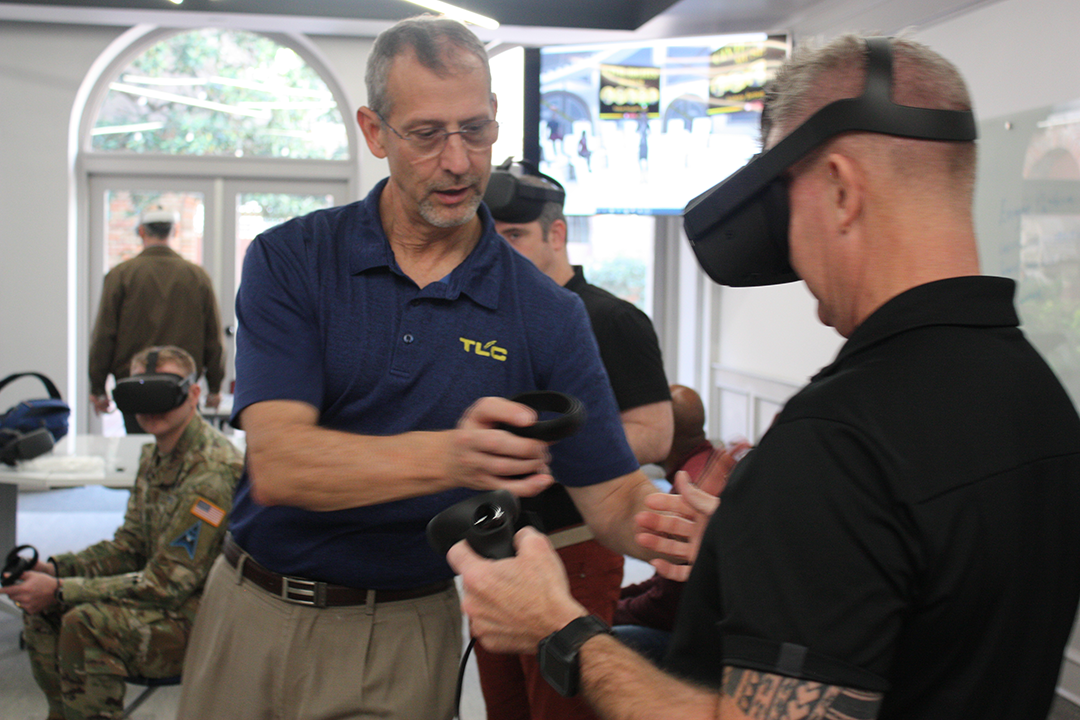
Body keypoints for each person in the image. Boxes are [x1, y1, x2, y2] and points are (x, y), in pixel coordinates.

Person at [449, 34, 1080, 720]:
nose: (789, 247)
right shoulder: (1041, 399)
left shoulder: (836, 443)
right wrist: (748, 550)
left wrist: (560, 629)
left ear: (840, 189)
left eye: (785, 201)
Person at [175, 16, 687, 720]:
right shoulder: (291, 258)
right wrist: (456, 456)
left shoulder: (546, 315)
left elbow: (614, 499)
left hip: (402, 628)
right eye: (427, 134)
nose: (458, 160)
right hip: (250, 604)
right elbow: (283, 464)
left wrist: (682, 525)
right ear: (375, 131)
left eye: (475, 130)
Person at [480, 162, 673, 720]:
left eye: (514, 236)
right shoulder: (497, 321)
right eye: (491, 239)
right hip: (498, 547)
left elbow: (654, 434)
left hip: (576, 544)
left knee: (560, 707)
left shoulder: (613, 319)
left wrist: (544, 453)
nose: (500, 251)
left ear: (555, 234)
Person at [1, 345, 242, 720]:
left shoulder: (213, 470)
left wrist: (64, 588)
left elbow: (166, 584)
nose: (148, 405)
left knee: (84, 624)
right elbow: (128, 546)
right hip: (160, 602)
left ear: (194, 394)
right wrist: (58, 569)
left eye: (162, 391)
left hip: (199, 618)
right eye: (138, 392)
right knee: (42, 610)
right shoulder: (153, 455)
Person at [612, 385, 750, 663]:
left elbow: (665, 608)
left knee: (596, 642)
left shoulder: (691, 492)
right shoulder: (709, 464)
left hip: (704, 645)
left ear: (667, 432)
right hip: (719, 629)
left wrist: (607, 610)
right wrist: (617, 597)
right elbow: (661, 585)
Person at [89, 205, 225, 434]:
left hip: (134, 387)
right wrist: (214, 387)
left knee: (140, 454)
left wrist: (98, 388)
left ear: (142, 232)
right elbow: (214, 337)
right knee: (183, 457)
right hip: (181, 389)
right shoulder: (196, 276)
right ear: (175, 232)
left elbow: (104, 336)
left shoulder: (121, 275)